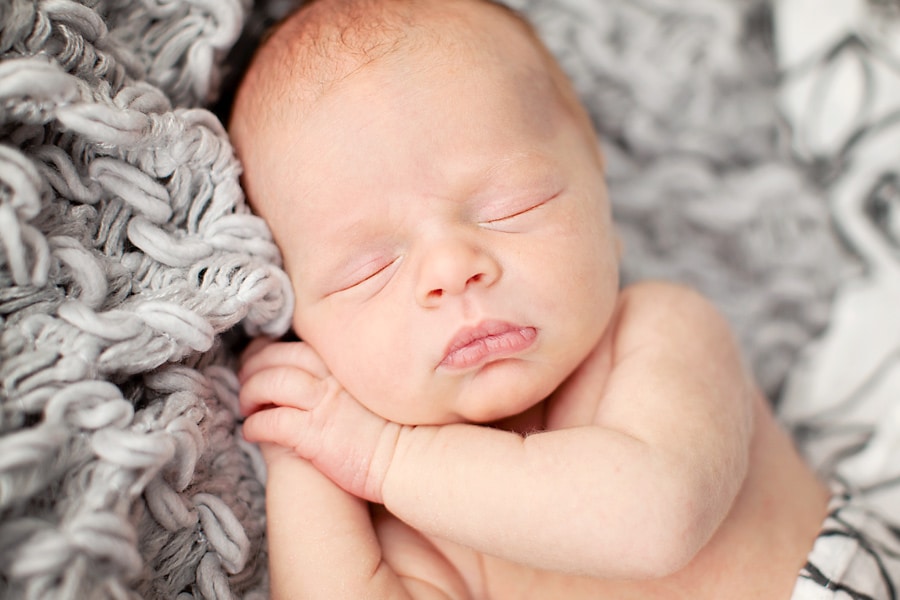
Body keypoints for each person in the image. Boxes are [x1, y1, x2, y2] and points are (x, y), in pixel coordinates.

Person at [229, 0, 829, 597]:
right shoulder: (415, 531)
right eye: (369, 270)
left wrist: (382, 457)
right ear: (299, 323)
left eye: (510, 208)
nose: (453, 269)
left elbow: (652, 521)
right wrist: (302, 455)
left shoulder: (662, 329)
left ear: (598, 184)